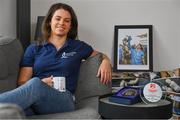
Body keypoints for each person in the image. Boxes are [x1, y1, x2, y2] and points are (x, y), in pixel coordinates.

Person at [0, 3, 112, 116]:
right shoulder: (34, 48)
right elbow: (22, 82)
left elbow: (100, 55)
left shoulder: (78, 46)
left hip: (64, 100)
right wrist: (42, 84)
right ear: (49, 21)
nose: (62, 23)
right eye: (57, 19)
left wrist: (106, 61)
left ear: (70, 26)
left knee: (35, 83)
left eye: (67, 21)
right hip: (37, 100)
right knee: (13, 111)